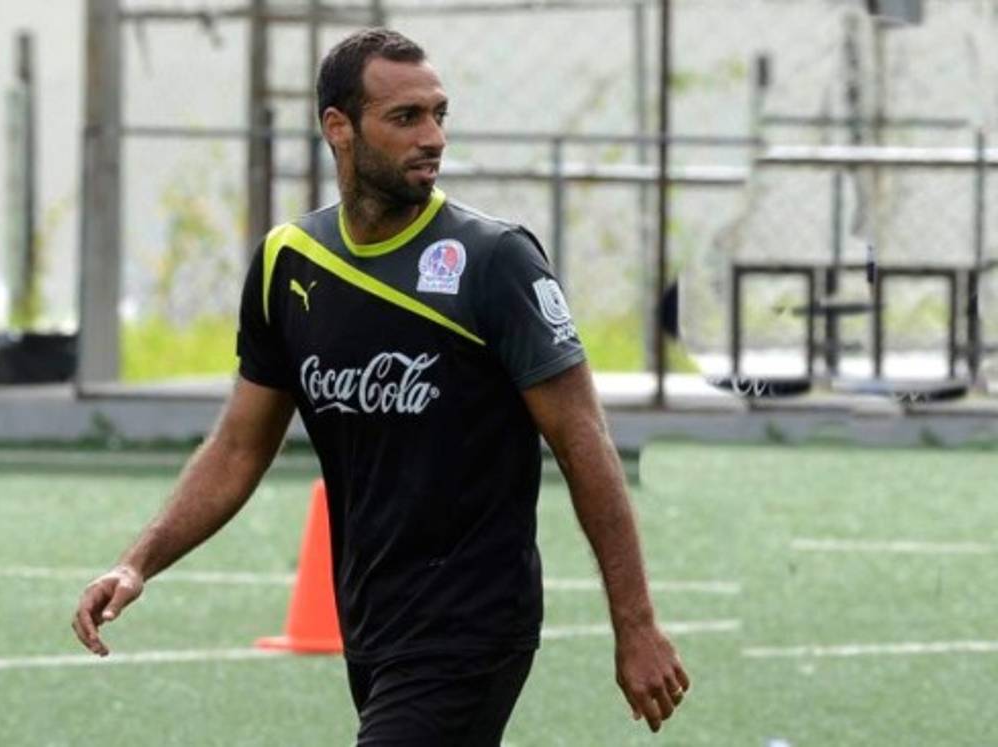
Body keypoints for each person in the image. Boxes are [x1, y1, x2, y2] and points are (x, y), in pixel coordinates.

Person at [73, 27, 689, 745]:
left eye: (439, 114)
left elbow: (585, 443)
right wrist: (138, 560)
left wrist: (636, 624)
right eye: (406, 118)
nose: (432, 137)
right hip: (370, 621)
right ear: (339, 128)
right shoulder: (288, 264)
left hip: (472, 623)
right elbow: (240, 447)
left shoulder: (494, 260)